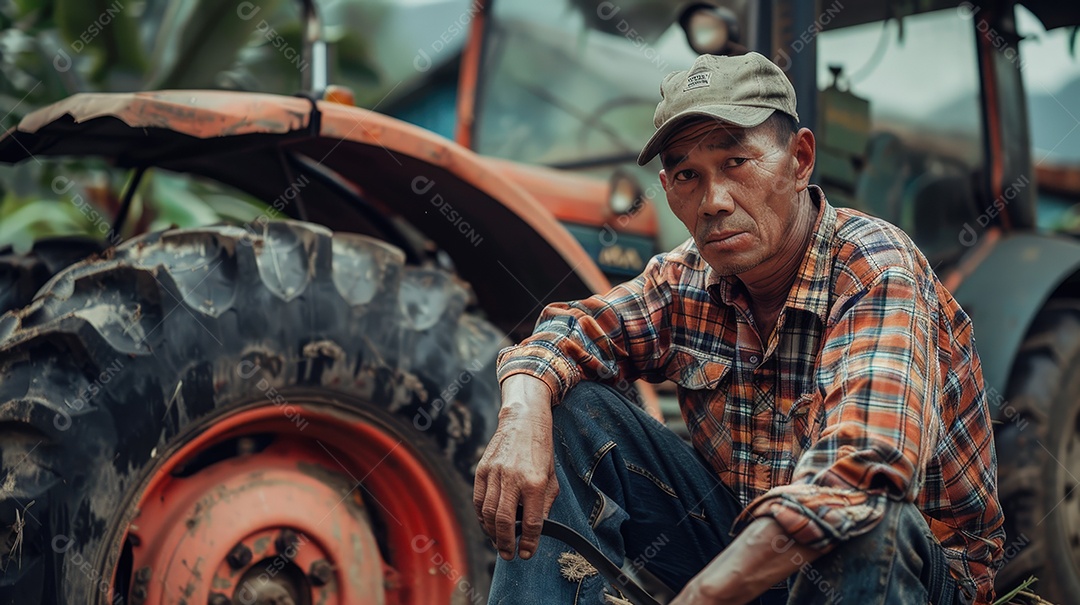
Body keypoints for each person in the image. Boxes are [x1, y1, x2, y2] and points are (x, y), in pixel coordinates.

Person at [474, 52, 1004, 605]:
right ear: (665, 185)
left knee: (869, 525)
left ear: (800, 160)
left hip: (909, 576)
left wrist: (702, 597)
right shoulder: (685, 278)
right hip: (752, 555)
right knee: (572, 412)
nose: (714, 202)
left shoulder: (874, 267)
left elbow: (861, 475)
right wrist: (521, 410)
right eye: (688, 176)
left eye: (736, 163)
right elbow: (573, 331)